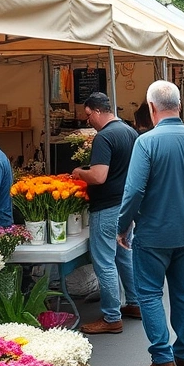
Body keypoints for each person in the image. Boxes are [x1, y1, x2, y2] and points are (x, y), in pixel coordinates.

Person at [117, 80, 184, 366]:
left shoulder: (146, 142)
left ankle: (162, 356)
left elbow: (134, 189)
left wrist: (123, 226)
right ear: (178, 105)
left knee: (149, 294)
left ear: (151, 107)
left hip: (152, 233)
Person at [71, 93, 141, 335]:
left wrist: (80, 172)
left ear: (98, 111)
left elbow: (99, 176)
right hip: (126, 204)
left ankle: (112, 317)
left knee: (104, 260)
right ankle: (134, 303)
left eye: (88, 115)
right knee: (124, 255)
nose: (88, 120)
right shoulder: (129, 132)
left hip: (107, 207)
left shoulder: (104, 137)